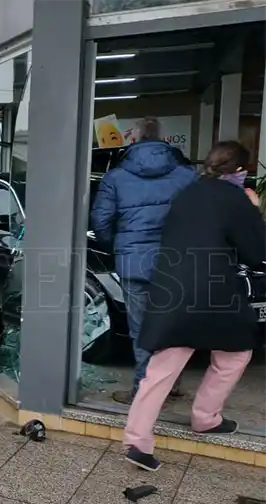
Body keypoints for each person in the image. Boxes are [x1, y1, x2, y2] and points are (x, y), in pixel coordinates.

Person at [123, 141, 266, 471]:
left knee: (161, 369)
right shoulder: (237, 199)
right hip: (214, 291)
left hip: (172, 288)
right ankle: (205, 417)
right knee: (235, 353)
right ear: (241, 171)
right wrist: (254, 210)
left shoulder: (187, 193)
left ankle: (137, 441)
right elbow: (256, 252)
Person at [91, 117, 199, 405]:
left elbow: (100, 220)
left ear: (133, 139)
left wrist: (117, 246)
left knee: (140, 330)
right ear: (163, 140)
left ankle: (143, 389)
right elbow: (200, 217)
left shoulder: (116, 177)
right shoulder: (187, 175)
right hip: (174, 263)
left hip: (134, 262)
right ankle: (171, 383)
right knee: (171, 325)